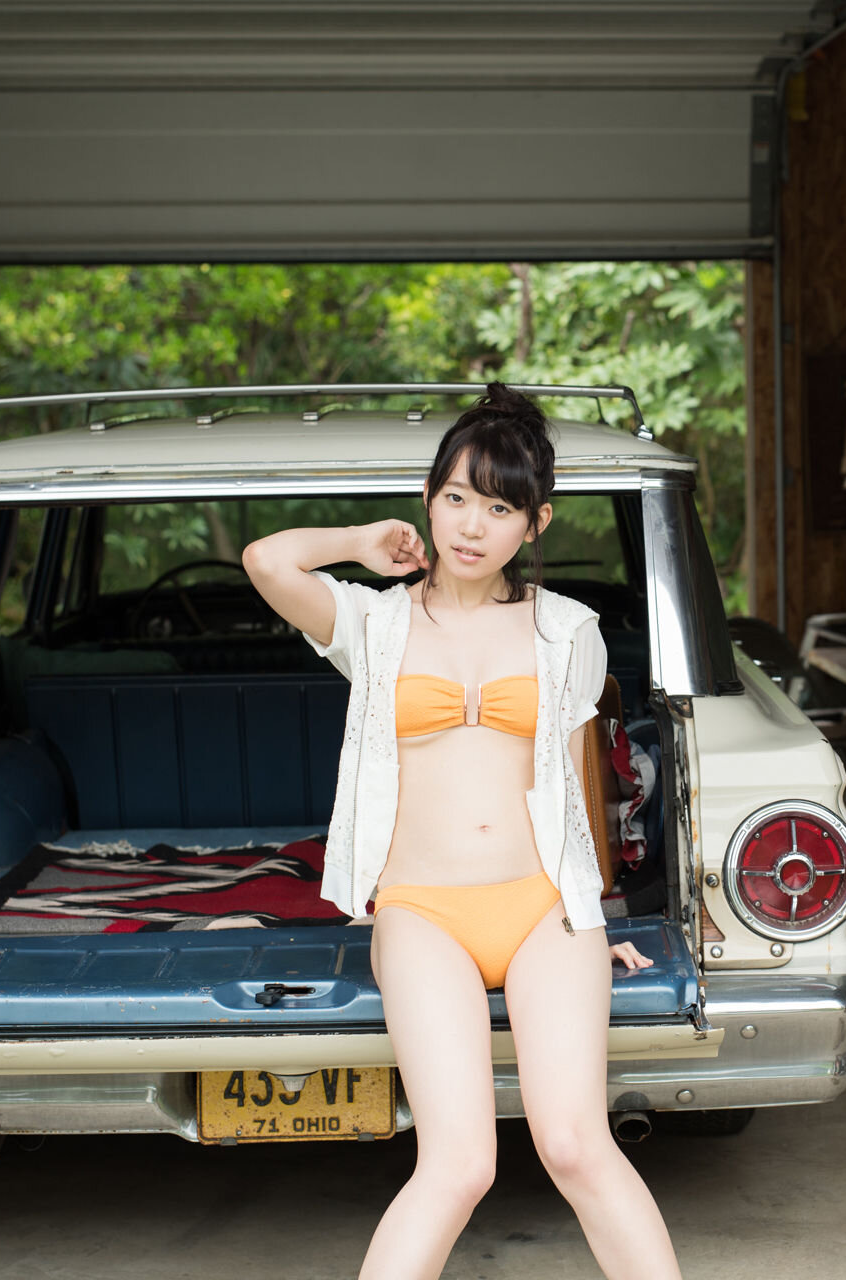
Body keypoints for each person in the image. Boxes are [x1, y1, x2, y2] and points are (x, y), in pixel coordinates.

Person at [242, 384, 683, 1280]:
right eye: (454, 498)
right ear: (428, 498)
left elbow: (572, 783)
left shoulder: (569, 631)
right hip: (423, 912)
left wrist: (591, 914)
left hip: (542, 909)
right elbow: (267, 560)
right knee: (459, 1165)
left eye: (499, 508)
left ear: (536, 521)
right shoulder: (374, 622)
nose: (471, 526)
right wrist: (361, 542)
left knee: (576, 1146)